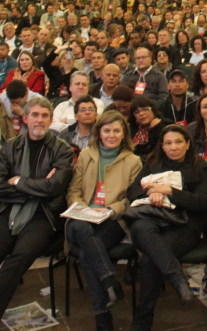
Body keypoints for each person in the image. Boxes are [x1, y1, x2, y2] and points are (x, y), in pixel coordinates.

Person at [0, 97, 73, 331]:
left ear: (50, 120)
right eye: (34, 115)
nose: (39, 120)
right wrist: (34, 189)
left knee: (19, 257)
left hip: (43, 215)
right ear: (25, 118)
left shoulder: (62, 149)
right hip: (7, 210)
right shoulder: (10, 146)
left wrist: (17, 181)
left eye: (44, 116)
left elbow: (54, 188)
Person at [126, 124, 207, 330]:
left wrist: (169, 191)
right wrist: (150, 193)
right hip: (155, 220)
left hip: (185, 225)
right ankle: (178, 280)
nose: (173, 147)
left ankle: (142, 321)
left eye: (178, 142)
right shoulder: (152, 163)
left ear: (188, 144)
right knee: (139, 226)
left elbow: (202, 202)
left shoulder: (200, 167)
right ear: (162, 146)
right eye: (168, 143)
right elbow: (132, 191)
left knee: (150, 259)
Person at [65, 110, 142, 331]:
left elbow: (131, 199)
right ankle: (109, 281)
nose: (111, 135)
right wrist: (81, 209)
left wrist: (111, 210)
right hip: (80, 217)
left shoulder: (133, 161)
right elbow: (74, 190)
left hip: (112, 220)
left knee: (88, 253)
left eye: (116, 131)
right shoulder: (86, 155)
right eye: (106, 130)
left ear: (123, 134)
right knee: (80, 226)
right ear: (99, 132)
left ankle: (102, 312)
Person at [128, 95, 167, 160]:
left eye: (145, 109)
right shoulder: (132, 129)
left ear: (153, 110)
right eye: (136, 112)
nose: (141, 114)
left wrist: (156, 128)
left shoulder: (165, 126)